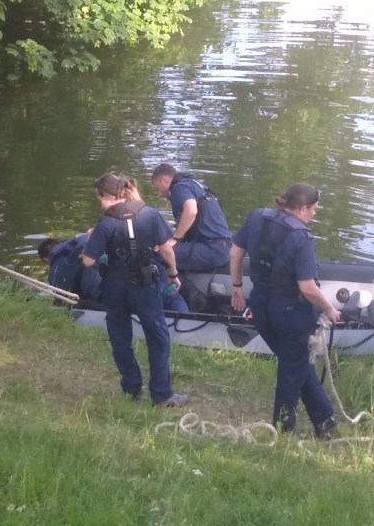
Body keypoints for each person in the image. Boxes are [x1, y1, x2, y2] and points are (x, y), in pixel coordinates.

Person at [229, 183, 341, 438]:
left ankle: (325, 420)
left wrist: (237, 286)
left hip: (260, 303)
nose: (314, 214)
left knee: (295, 362)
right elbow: (308, 287)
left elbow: (235, 253)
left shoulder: (257, 216)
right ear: (302, 208)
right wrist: (329, 309)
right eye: (314, 209)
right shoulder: (302, 238)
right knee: (292, 369)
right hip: (290, 311)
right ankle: (283, 429)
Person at [81, 172, 188, 406]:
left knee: (120, 337)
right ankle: (162, 394)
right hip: (145, 283)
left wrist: (101, 258)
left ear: (106, 195)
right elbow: (166, 248)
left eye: (99, 197)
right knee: (158, 337)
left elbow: (88, 261)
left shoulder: (105, 223)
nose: (99, 202)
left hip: (115, 286)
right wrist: (172, 274)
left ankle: (131, 388)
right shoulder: (148, 213)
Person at [150, 163, 232, 273]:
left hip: (213, 250)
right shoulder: (193, 184)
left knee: (160, 253)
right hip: (221, 246)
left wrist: (175, 239)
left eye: (157, 188)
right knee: (163, 245)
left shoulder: (179, 187)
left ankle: (167, 285)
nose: (159, 194)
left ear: (165, 180)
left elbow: (191, 211)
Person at [37, 235, 103, 300]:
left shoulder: (55, 272)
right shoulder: (75, 242)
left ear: (45, 259)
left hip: (102, 292)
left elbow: (63, 300)